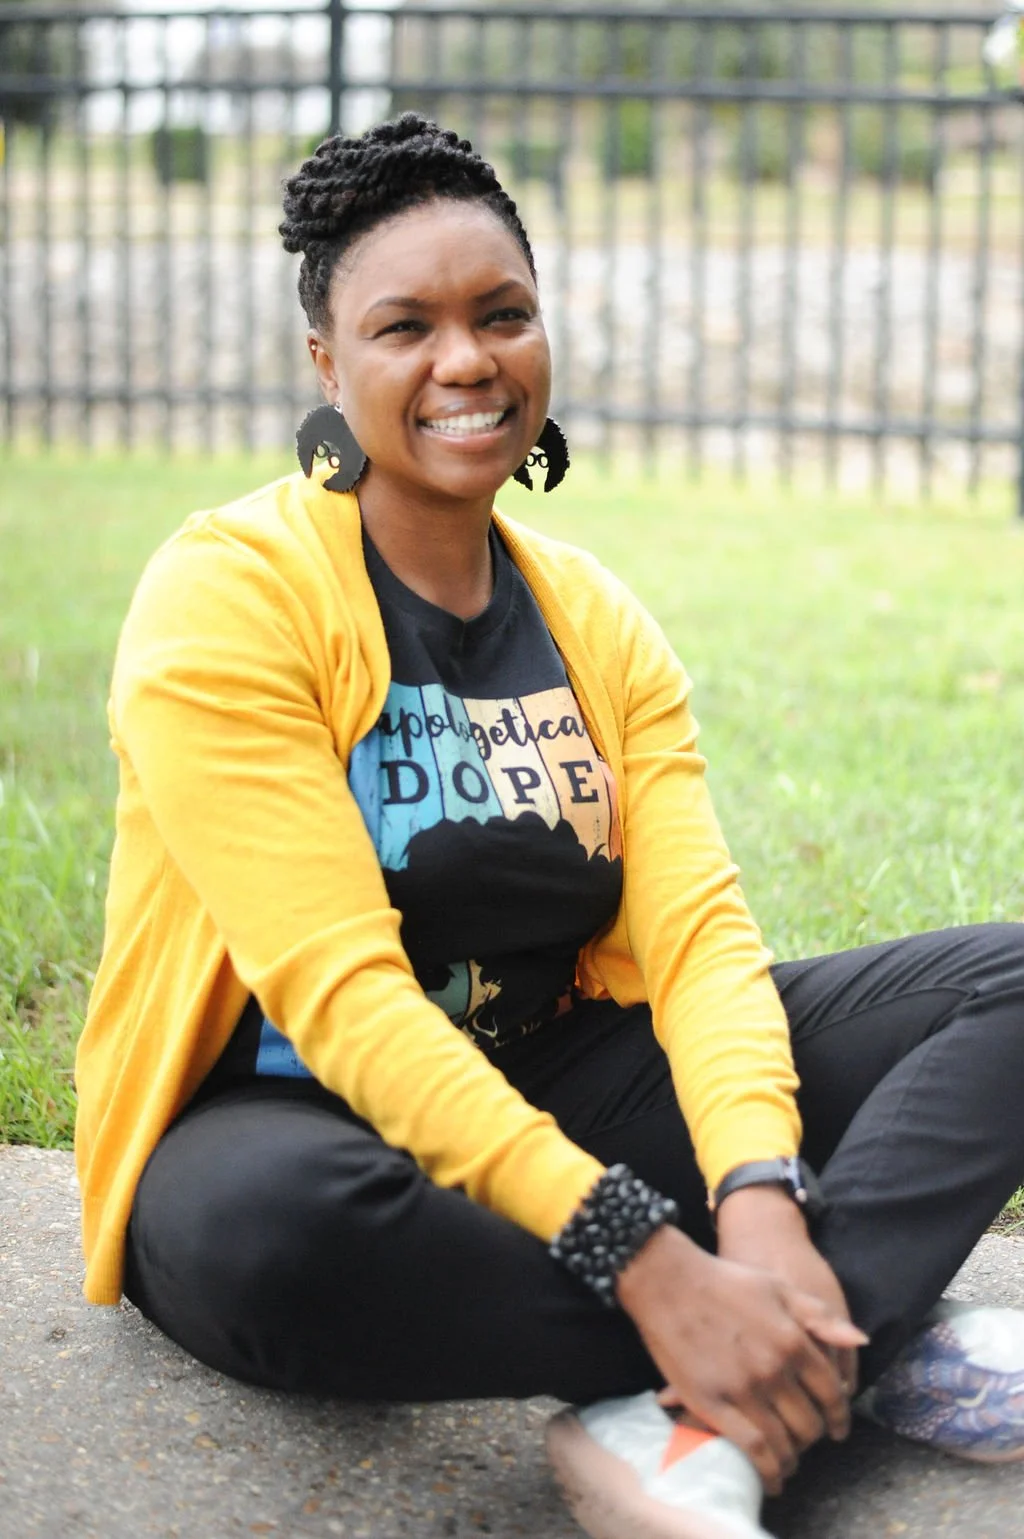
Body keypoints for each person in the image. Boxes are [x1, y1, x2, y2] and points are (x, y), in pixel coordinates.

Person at [74, 114, 1024, 1539]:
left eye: (501, 314)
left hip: (557, 1075)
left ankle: (741, 1371)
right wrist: (644, 1251)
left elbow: (698, 941)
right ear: (329, 365)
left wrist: (758, 1194)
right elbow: (341, 997)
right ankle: (835, 1342)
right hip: (282, 1118)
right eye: (406, 326)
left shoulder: (596, 617)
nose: (467, 361)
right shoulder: (231, 595)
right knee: (270, 1238)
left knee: (1006, 983)